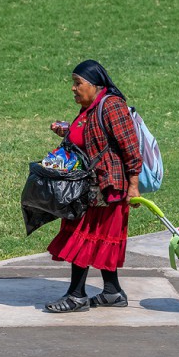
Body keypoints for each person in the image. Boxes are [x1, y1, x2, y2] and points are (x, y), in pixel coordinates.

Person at [45, 59, 142, 313]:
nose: (73, 89)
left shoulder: (111, 106)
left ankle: (76, 296)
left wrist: (133, 186)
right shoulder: (91, 107)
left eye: (78, 83)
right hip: (91, 188)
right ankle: (112, 293)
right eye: (73, 83)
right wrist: (67, 130)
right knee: (98, 239)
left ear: (95, 85)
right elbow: (90, 136)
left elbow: (130, 147)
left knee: (84, 237)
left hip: (107, 189)